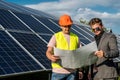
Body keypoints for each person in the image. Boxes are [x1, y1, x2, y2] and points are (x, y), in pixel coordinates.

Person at [46, 14, 83, 80]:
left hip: (72, 72)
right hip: (58, 72)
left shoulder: (76, 37)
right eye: (65, 26)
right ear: (61, 26)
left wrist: (80, 70)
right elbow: (48, 51)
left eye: (69, 26)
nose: (67, 28)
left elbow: (79, 55)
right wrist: (50, 57)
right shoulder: (56, 36)